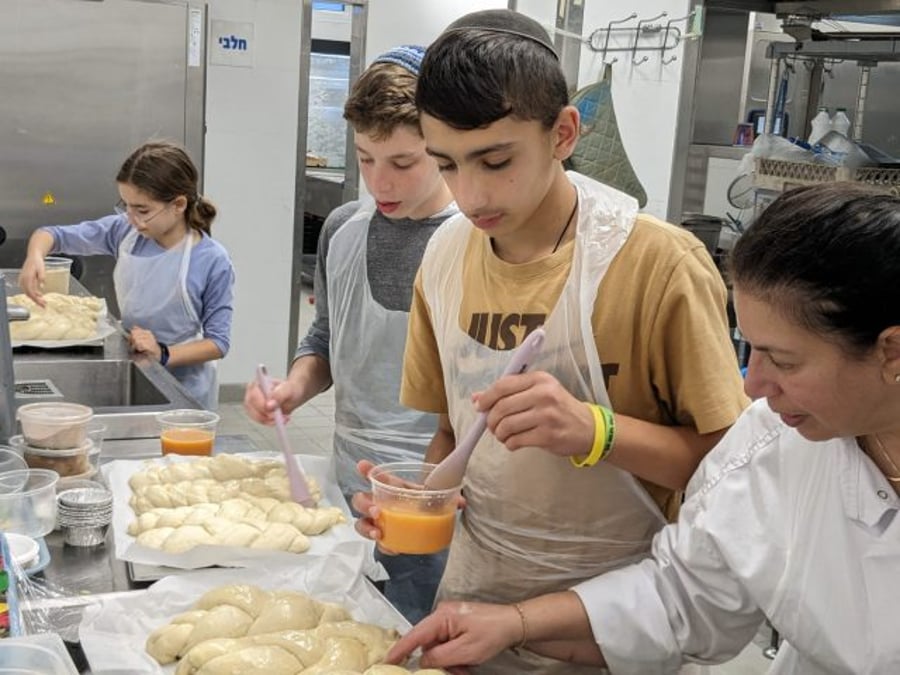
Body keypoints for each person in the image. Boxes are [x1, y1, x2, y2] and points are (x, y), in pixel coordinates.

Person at [352, 10, 748, 673]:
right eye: (447, 164)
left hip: (613, 630)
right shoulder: (446, 259)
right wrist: (424, 497)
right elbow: (454, 432)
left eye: (497, 160)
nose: (471, 194)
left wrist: (596, 431)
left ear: (563, 132)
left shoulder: (655, 263)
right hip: (472, 614)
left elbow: (733, 475)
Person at [385, 182, 900, 673]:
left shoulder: (660, 265)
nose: (753, 386)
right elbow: (683, 595)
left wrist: (600, 433)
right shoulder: (776, 445)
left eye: (784, 361)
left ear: (891, 352)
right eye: (753, 351)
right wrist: (511, 623)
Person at [243, 45, 457, 623]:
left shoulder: (473, 241)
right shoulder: (344, 228)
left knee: (424, 638)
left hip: (443, 496)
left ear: (441, 146)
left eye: (403, 162)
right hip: (349, 484)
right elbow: (326, 341)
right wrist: (293, 387)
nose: (379, 182)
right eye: (365, 159)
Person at [19, 140, 234, 410]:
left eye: (142, 210)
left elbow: (218, 342)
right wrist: (35, 256)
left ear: (178, 204)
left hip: (185, 392)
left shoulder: (212, 260)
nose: (131, 218)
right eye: (127, 205)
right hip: (137, 363)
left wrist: (164, 353)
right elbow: (53, 234)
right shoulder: (125, 233)